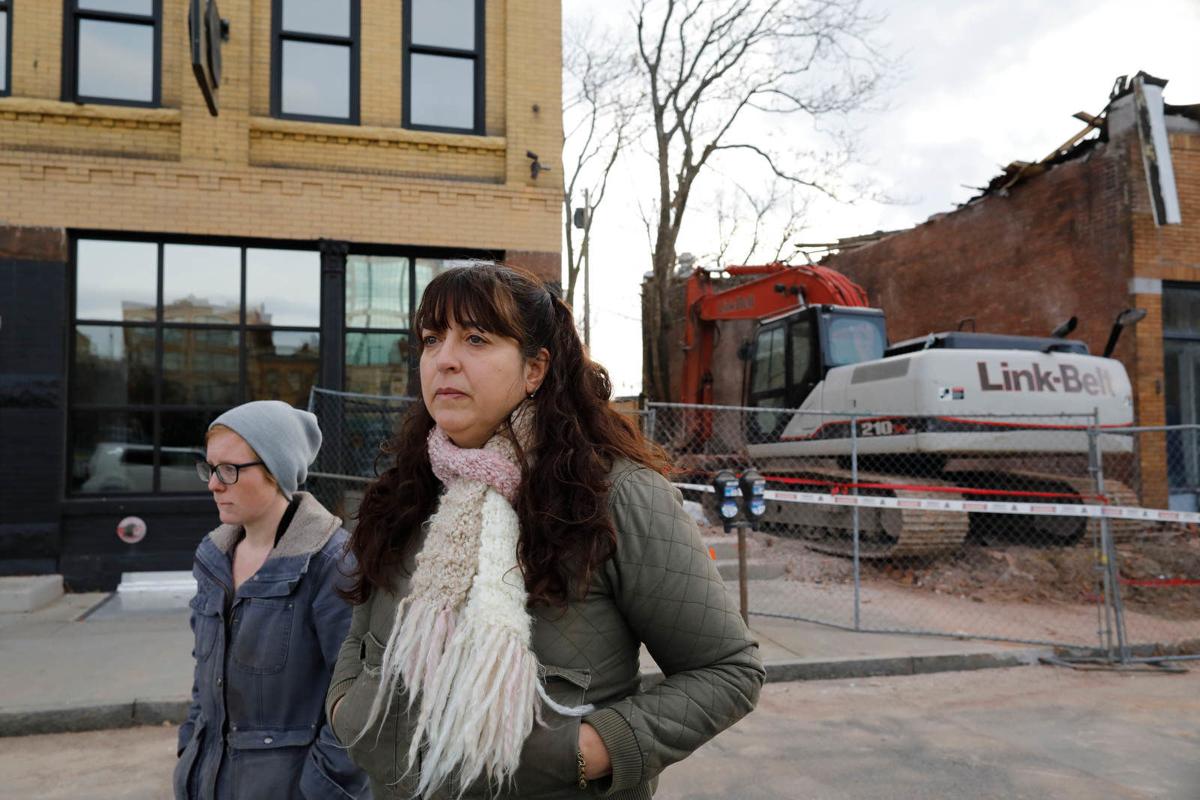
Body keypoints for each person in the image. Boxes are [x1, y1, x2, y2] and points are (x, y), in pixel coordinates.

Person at [327, 264, 764, 799]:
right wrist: (346, 706)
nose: (445, 358)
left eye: (476, 339)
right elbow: (362, 635)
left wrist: (584, 752)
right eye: (432, 339)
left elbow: (727, 670)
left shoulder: (615, 496)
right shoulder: (405, 492)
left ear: (534, 370)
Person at [175, 400, 369, 799]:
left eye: (229, 469)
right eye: (210, 469)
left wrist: (318, 791)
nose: (214, 484)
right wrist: (188, 754)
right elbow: (204, 685)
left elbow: (360, 703)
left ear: (274, 471)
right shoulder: (212, 559)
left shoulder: (332, 564)